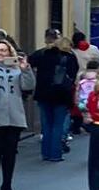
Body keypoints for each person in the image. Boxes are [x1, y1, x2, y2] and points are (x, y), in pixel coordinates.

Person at [0, 36, 31, 190]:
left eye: (3, 50)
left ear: (10, 52)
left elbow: (28, 86)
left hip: (15, 116)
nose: (0, 53)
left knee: (10, 153)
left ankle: (7, 186)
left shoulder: (17, 68)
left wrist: (25, 70)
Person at [29, 28, 79, 162]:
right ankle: (55, 154)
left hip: (44, 94)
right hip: (61, 95)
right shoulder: (70, 57)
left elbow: (29, 63)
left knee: (46, 124)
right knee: (58, 124)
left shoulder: (42, 54)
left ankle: (45, 153)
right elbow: (73, 76)